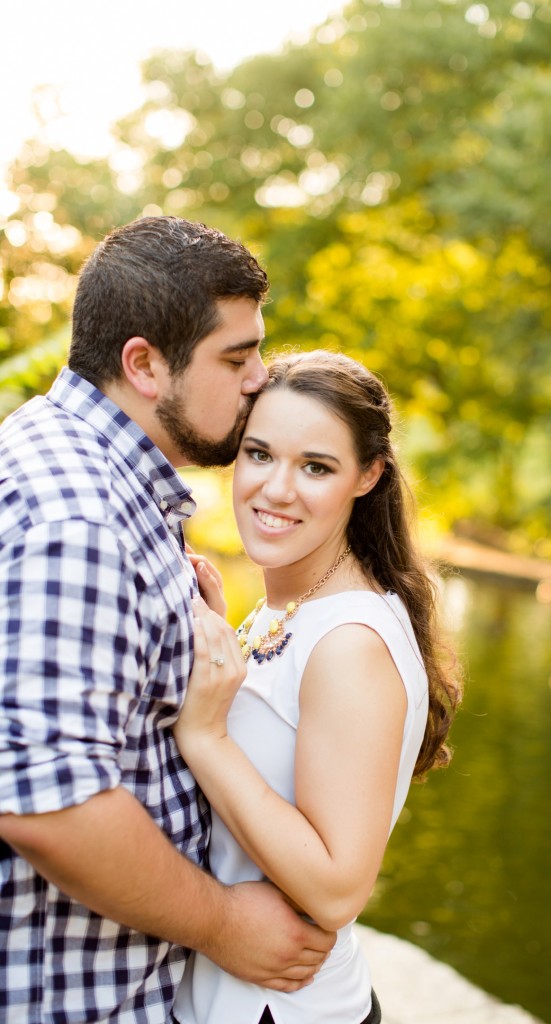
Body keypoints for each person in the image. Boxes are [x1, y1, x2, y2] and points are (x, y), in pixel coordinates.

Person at [0, 216, 335, 1024]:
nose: (260, 378)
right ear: (144, 364)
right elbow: (52, 809)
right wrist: (222, 923)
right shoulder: (77, 518)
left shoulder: (106, 476)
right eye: (235, 357)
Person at [171, 350, 461, 1024]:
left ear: (368, 476)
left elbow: (335, 890)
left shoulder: (350, 643)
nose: (276, 489)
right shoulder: (291, 604)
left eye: (316, 467)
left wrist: (206, 736)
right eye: (260, 453)